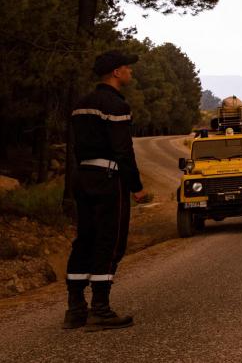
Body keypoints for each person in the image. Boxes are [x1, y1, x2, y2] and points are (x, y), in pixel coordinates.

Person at [64, 50, 149, 330]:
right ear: (116, 72)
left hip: (82, 176)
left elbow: (76, 145)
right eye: (127, 67)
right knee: (109, 240)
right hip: (108, 179)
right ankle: (100, 309)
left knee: (85, 238)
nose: (130, 71)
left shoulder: (81, 104)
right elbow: (123, 150)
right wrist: (136, 186)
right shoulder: (116, 105)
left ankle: (75, 308)